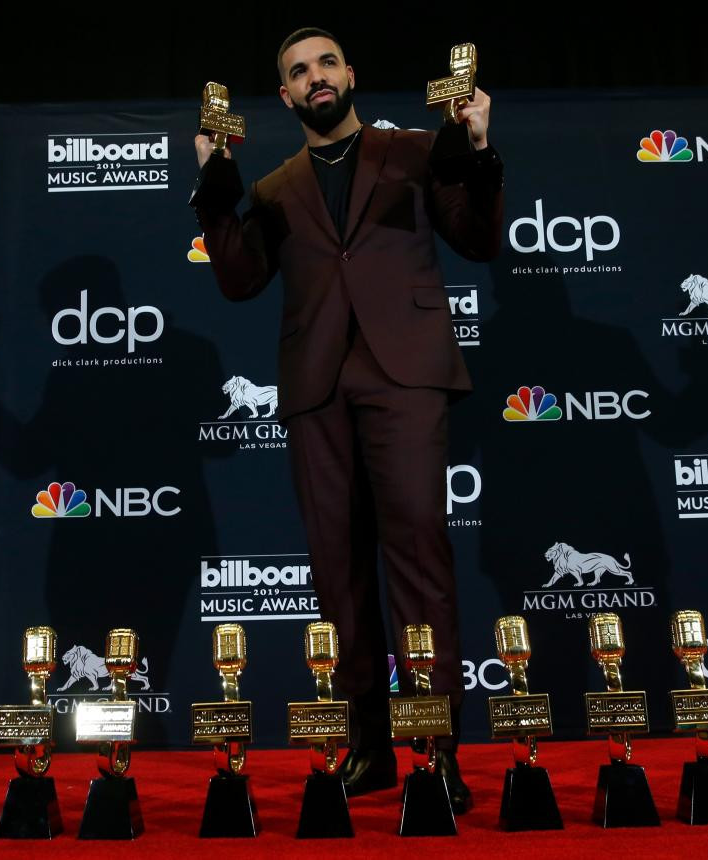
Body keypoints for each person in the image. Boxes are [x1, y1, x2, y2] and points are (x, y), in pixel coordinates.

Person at [190, 26, 504, 813]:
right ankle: (369, 748)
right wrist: (213, 186)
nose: (315, 77)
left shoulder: (413, 151)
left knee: (420, 564)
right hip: (316, 388)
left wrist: (478, 146)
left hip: (406, 376)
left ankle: (436, 750)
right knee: (337, 574)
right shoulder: (269, 188)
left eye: (326, 62)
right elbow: (236, 282)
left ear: (350, 74)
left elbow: (477, 237)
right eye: (298, 71)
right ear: (286, 95)